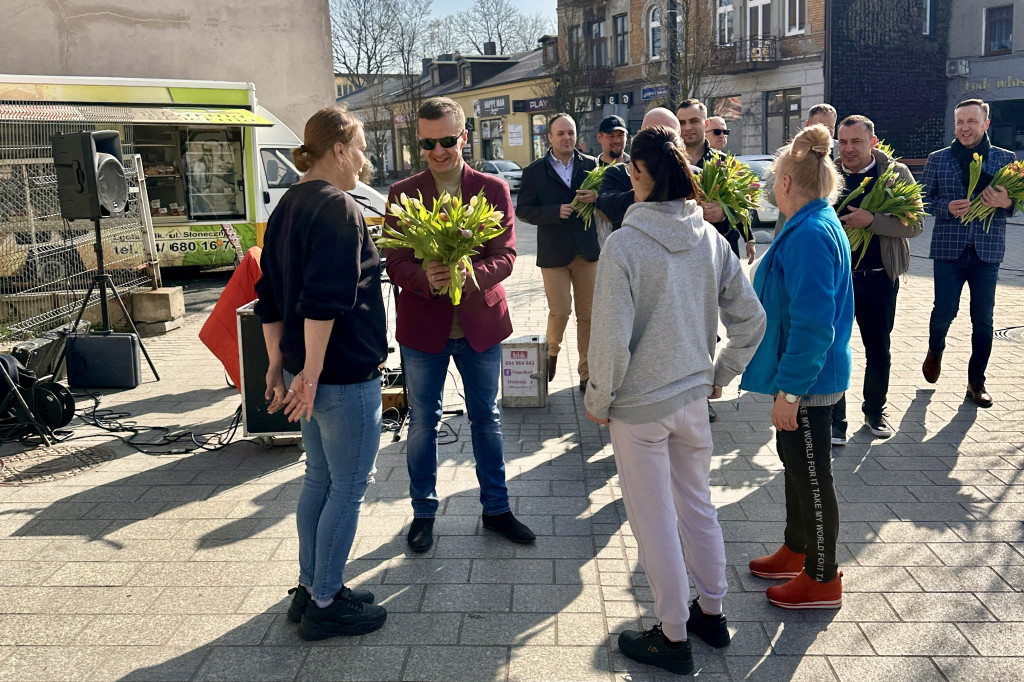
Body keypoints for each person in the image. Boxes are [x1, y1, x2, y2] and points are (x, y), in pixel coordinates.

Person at [585, 126, 766, 675]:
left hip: (639, 407)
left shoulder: (624, 244)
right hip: (693, 397)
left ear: (640, 174)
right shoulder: (710, 238)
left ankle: (672, 634)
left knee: (654, 518)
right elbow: (751, 318)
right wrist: (721, 373)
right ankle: (711, 612)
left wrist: (599, 396)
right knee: (697, 505)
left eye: (632, 171)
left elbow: (610, 337)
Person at [255, 106, 388, 640]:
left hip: (312, 375)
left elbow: (269, 296)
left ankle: (312, 587)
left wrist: (278, 364)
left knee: (320, 479)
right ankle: (326, 603)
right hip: (342, 376)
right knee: (348, 486)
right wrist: (307, 372)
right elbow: (323, 301)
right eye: (359, 148)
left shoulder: (289, 202)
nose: (364, 160)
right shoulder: (337, 206)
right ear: (337, 148)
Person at [385, 96, 534, 552]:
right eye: (428, 143)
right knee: (423, 422)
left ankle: (496, 509)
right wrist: (423, 278)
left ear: (464, 137)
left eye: (447, 141)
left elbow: (506, 255)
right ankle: (423, 513)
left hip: (480, 326)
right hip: (423, 329)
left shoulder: (492, 188)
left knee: (486, 419)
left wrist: (472, 275)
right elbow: (393, 260)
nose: (438, 151)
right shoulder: (402, 193)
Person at [740, 124, 853, 610]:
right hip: (804, 374)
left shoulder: (810, 231)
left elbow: (813, 321)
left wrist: (790, 392)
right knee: (794, 464)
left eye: (773, 178)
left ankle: (823, 577)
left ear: (786, 182)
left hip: (809, 379)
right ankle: (797, 548)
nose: (770, 187)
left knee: (810, 471)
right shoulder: (811, 221)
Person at [830, 115, 922, 445]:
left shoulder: (895, 174)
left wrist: (871, 220)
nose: (848, 149)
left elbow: (914, 225)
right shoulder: (828, 175)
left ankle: (874, 411)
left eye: (856, 141)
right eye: (842, 141)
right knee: (834, 350)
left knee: (878, 349)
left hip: (879, 278)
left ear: (873, 142)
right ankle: (835, 420)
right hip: (837, 280)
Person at [922, 98, 1015, 408]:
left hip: (987, 252)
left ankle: (977, 382)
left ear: (985, 124)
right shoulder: (939, 159)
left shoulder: (1006, 160)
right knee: (944, 312)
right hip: (949, 250)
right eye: (960, 122)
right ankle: (935, 349)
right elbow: (922, 201)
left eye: (971, 121)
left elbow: (1017, 203)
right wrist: (945, 208)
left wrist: (1005, 203)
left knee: (983, 320)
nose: (964, 127)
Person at [516, 113, 599, 394]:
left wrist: (597, 198)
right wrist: (554, 212)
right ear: (549, 137)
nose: (567, 138)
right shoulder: (535, 171)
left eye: (571, 133)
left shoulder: (591, 165)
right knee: (561, 311)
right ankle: (552, 351)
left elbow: (606, 198)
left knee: (587, 315)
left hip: (587, 252)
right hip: (553, 253)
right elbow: (523, 211)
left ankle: (586, 374)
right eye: (560, 133)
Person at [677, 99, 757, 264]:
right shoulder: (669, 162)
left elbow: (744, 207)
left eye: (694, 121)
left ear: (705, 124)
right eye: (682, 122)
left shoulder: (726, 163)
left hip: (720, 255)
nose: (687, 127)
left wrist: (724, 213)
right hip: (681, 255)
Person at [772, 103, 839, 237]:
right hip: (793, 225)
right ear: (807, 125)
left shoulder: (842, 153)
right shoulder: (788, 155)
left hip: (820, 228)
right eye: (820, 127)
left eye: (830, 128)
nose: (825, 132)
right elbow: (771, 190)